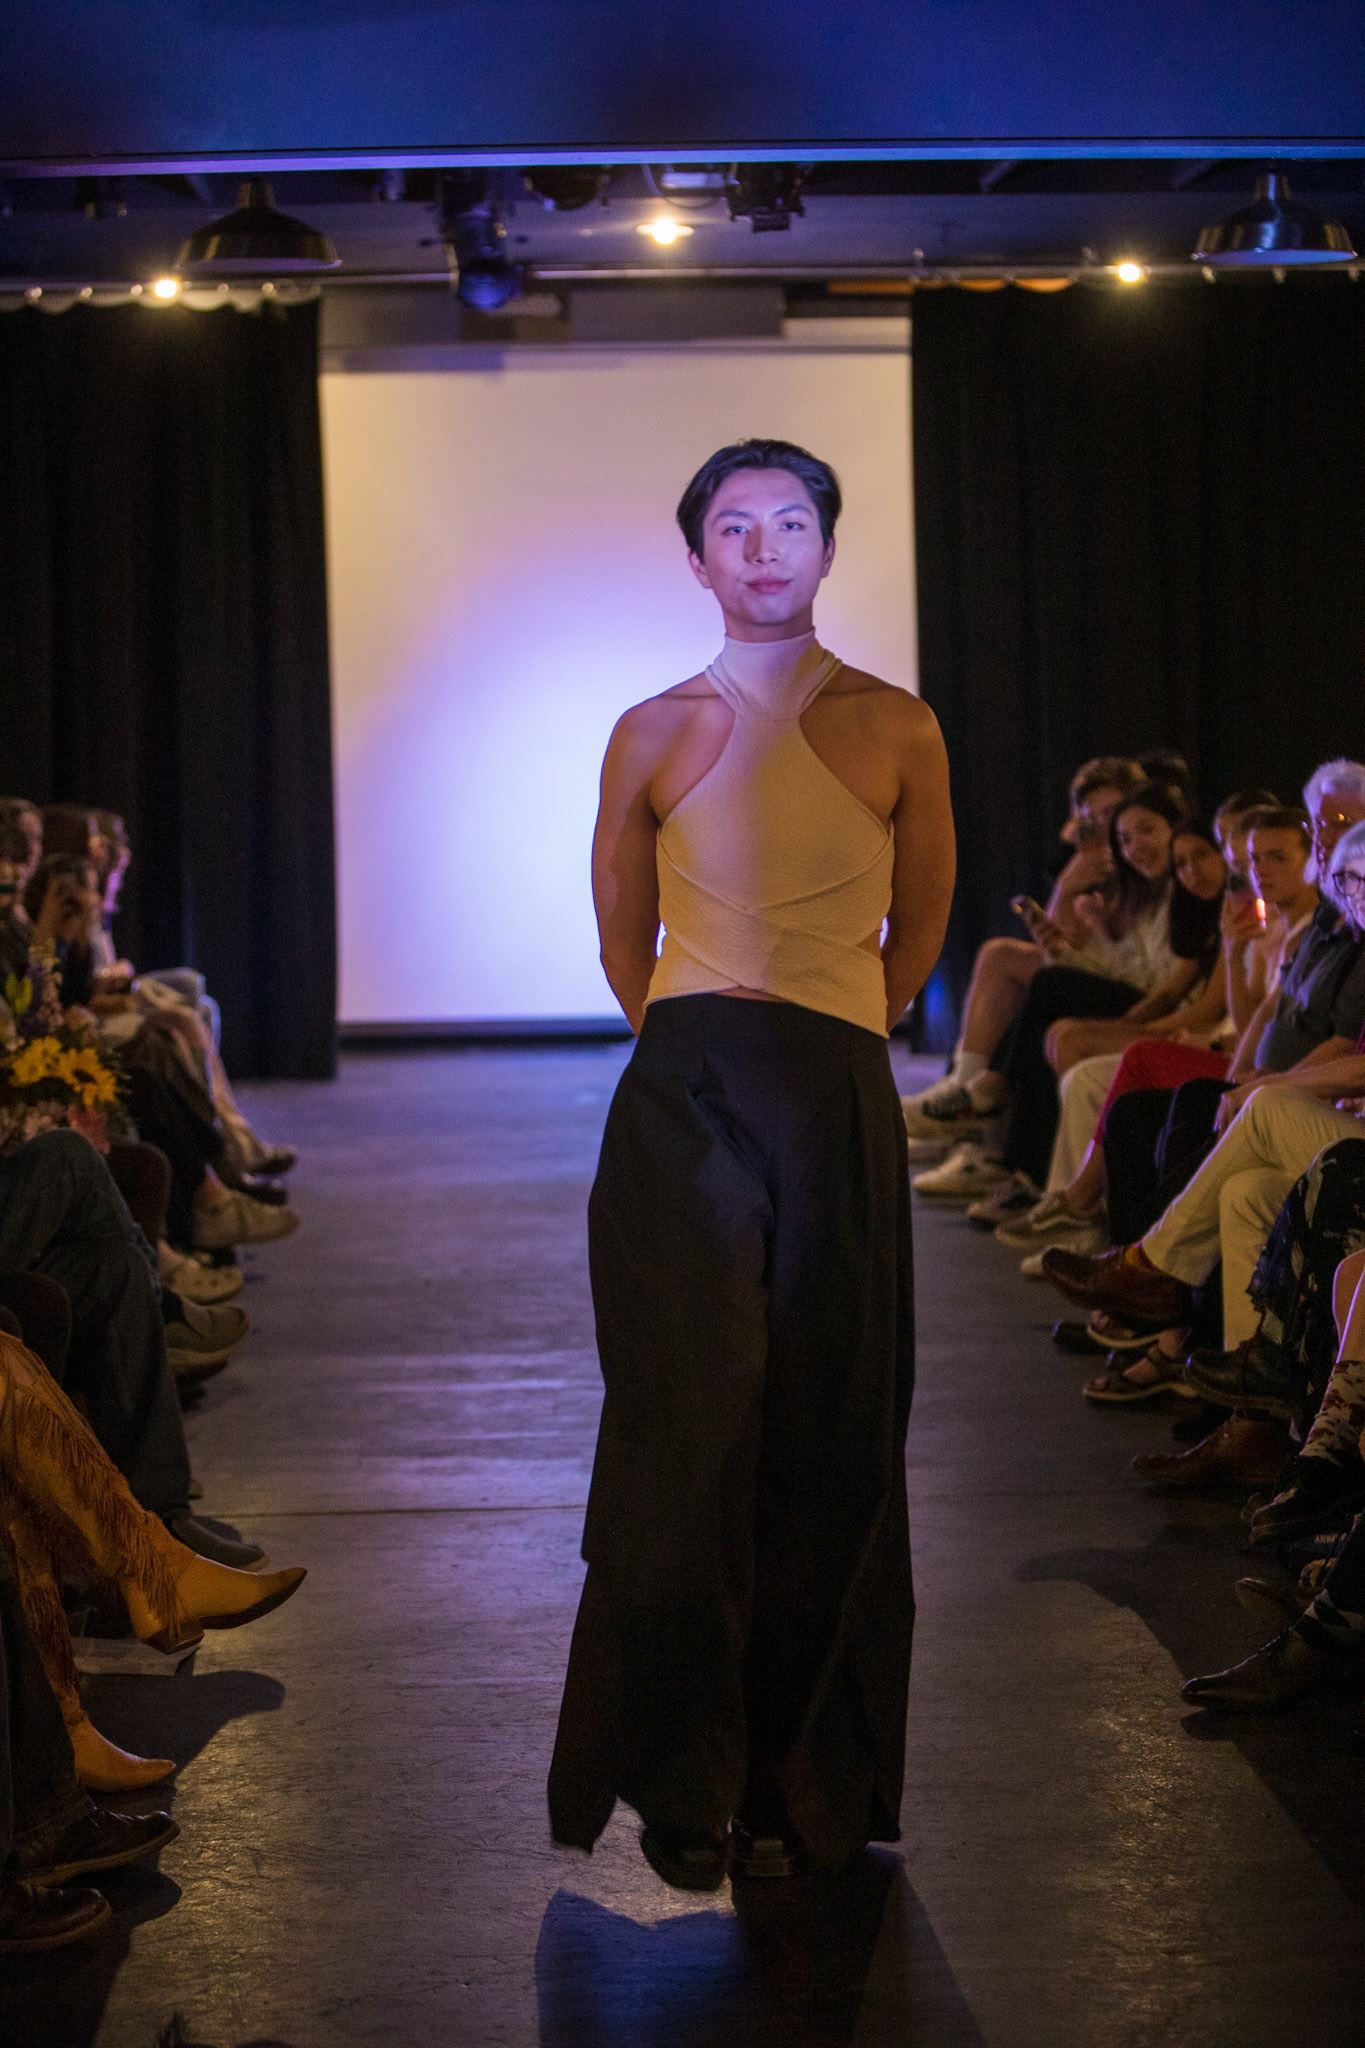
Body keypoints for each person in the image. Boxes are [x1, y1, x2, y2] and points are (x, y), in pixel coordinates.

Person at [547, 439, 954, 1890]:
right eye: (736, 526)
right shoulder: (651, 728)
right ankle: (682, 1779)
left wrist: (840, 1028)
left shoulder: (899, 724)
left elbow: (923, 919)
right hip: (688, 1098)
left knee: (835, 1428)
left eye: (791, 522)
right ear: (698, 558)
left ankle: (808, 1782)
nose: (766, 547)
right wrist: (700, 1037)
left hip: (834, 1087)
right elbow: (622, 930)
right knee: (685, 1427)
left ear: (828, 548)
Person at [900, 756, 1143, 1139]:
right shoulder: (1093, 861)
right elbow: (1063, 942)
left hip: (1136, 988)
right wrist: (1067, 885)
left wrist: (1068, 889)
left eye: (1111, 812)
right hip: (1102, 971)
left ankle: (970, 1101)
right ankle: (965, 1090)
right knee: (1000, 955)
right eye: (1090, 816)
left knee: (1027, 976)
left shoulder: (1137, 857)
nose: (1102, 824)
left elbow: (1108, 955)